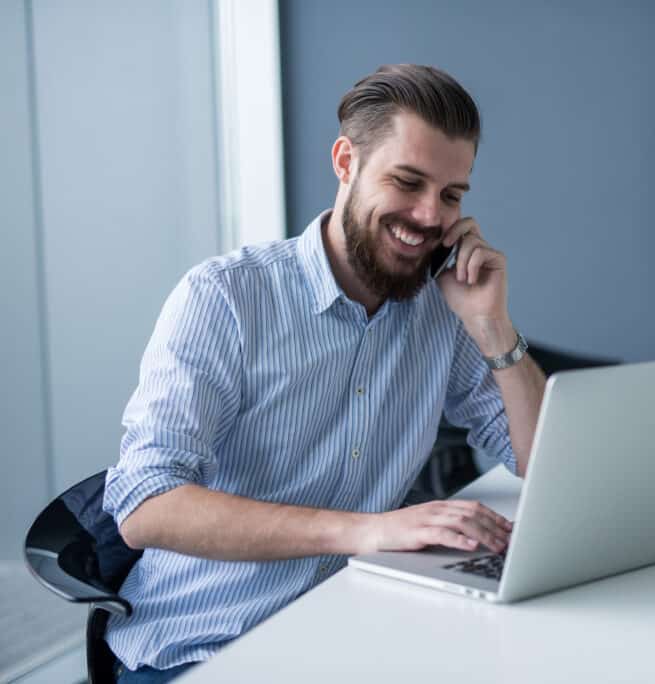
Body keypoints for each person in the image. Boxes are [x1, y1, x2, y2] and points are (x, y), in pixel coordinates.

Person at [102, 64, 547, 682]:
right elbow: (144, 505)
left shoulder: (443, 310)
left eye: (451, 195)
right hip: (206, 646)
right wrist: (370, 531)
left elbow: (544, 461)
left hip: (353, 637)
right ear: (346, 162)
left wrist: (492, 328)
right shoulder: (226, 298)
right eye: (408, 181)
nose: (427, 216)